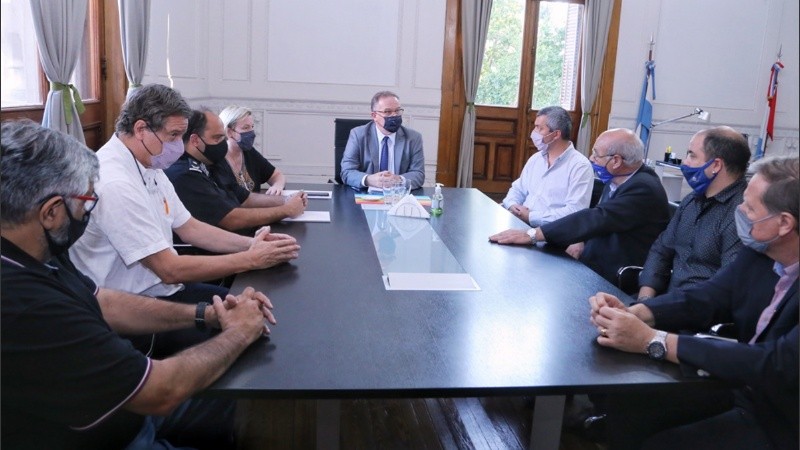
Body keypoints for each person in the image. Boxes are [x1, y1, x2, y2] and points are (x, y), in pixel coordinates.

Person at [1, 119, 275, 449]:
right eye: (86, 202)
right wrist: (239, 331)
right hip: (115, 433)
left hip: (129, 414)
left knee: (227, 395)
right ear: (51, 212)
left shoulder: (36, 251)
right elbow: (158, 392)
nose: (89, 210)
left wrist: (205, 315)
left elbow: (104, 302)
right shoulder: (26, 305)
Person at [68, 84, 299, 354]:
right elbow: (168, 269)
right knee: (253, 332)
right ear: (141, 129)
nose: (179, 145)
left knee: (261, 310)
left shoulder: (149, 163)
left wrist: (252, 245)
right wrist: (250, 258)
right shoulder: (115, 181)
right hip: (134, 311)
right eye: (174, 135)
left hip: (163, 290)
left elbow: (190, 228)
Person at [589, 155, 798, 450]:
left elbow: (774, 364)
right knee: (630, 407)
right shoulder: (761, 253)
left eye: (750, 207)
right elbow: (708, 297)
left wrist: (652, 340)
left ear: (784, 223)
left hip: (783, 418)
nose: (739, 210)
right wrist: (636, 312)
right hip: (742, 387)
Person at [490, 128, 670, 284]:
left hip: (616, 270)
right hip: (594, 257)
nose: (591, 158)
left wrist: (533, 234)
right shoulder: (618, 178)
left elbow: (598, 217)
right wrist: (581, 240)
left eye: (596, 154)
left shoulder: (643, 188)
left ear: (616, 161)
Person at [637, 126, 750, 301]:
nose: (685, 162)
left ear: (716, 165)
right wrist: (645, 299)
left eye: (692, 155)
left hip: (698, 313)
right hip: (665, 302)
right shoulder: (691, 200)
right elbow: (661, 250)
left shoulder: (742, 212)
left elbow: (727, 283)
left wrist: (652, 313)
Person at [166, 108, 307, 234]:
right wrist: (286, 210)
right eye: (217, 138)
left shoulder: (209, 163)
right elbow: (229, 219)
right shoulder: (186, 173)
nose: (223, 143)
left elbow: (243, 197)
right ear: (195, 140)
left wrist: (286, 200)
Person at [502, 106, 594, 226]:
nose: (533, 133)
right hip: (519, 222)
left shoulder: (580, 166)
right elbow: (518, 189)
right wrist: (512, 205)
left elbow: (575, 211)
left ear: (556, 134)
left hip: (550, 233)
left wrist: (531, 217)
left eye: (539, 128)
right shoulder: (536, 159)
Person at [340, 91, 425, 190]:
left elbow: (419, 174)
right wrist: (369, 179)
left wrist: (398, 180)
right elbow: (347, 172)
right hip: (366, 195)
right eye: (388, 112)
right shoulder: (358, 135)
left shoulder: (413, 138)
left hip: (398, 195)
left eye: (397, 111)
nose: (394, 115)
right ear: (374, 116)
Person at [216, 105, 286, 195]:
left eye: (252, 126)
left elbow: (277, 175)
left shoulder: (249, 153)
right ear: (229, 132)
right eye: (246, 127)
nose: (251, 132)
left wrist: (277, 186)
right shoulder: (216, 160)